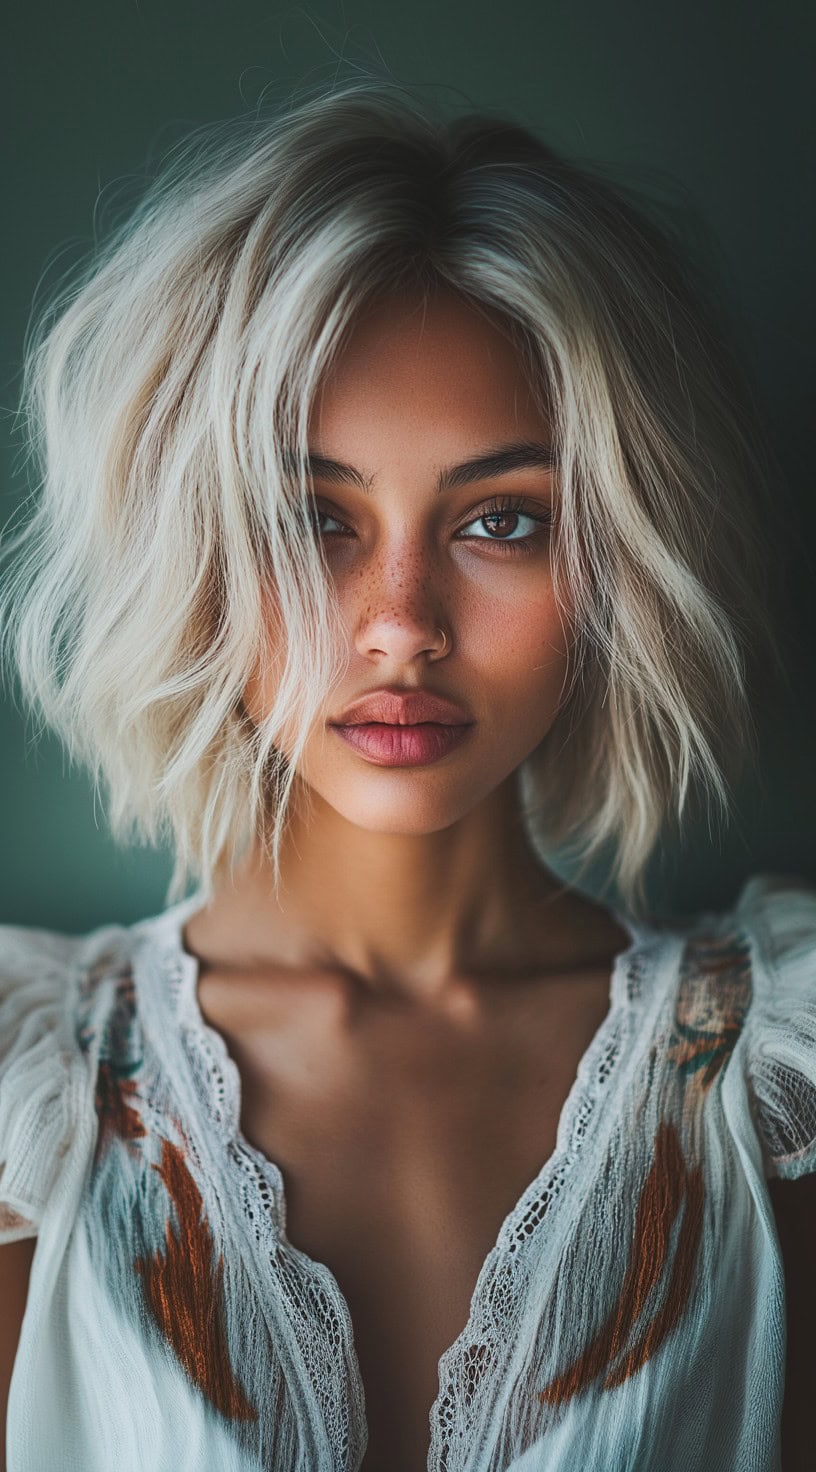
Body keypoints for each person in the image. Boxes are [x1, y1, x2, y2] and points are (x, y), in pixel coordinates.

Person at [0, 74, 813, 1472]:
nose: (401, 621)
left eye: (501, 519)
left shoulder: (776, 1089)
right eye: (313, 519)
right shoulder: (30, 1103)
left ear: (619, 557)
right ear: (191, 552)